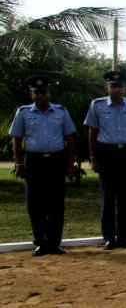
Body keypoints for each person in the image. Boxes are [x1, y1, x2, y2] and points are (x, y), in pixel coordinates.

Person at [9, 75, 76, 256]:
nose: (41, 95)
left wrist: (70, 163)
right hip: (34, 161)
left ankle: (54, 243)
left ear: (49, 93)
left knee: (56, 204)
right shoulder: (23, 113)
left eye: (44, 91)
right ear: (31, 94)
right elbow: (16, 140)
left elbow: (69, 138)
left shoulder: (61, 112)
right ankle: (40, 242)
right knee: (35, 204)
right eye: (36, 92)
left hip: (56, 161)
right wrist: (19, 163)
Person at [84, 71, 126, 250]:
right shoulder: (98, 105)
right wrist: (93, 157)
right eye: (113, 86)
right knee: (107, 198)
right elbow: (92, 134)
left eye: (120, 86)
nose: (117, 89)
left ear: (124, 88)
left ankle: (124, 238)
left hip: (125, 152)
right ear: (106, 88)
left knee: (125, 199)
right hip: (106, 154)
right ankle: (109, 237)